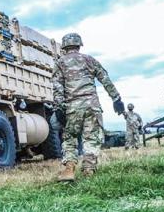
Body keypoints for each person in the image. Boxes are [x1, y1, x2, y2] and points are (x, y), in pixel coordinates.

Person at [52, 33, 125, 182]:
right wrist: (116, 99)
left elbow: (57, 87)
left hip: (72, 107)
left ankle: (69, 169)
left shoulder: (60, 63)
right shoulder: (89, 59)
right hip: (92, 106)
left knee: (70, 138)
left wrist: (59, 108)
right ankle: (88, 170)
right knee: (91, 139)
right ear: (79, 45)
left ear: (64, 46)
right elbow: (105, 79)